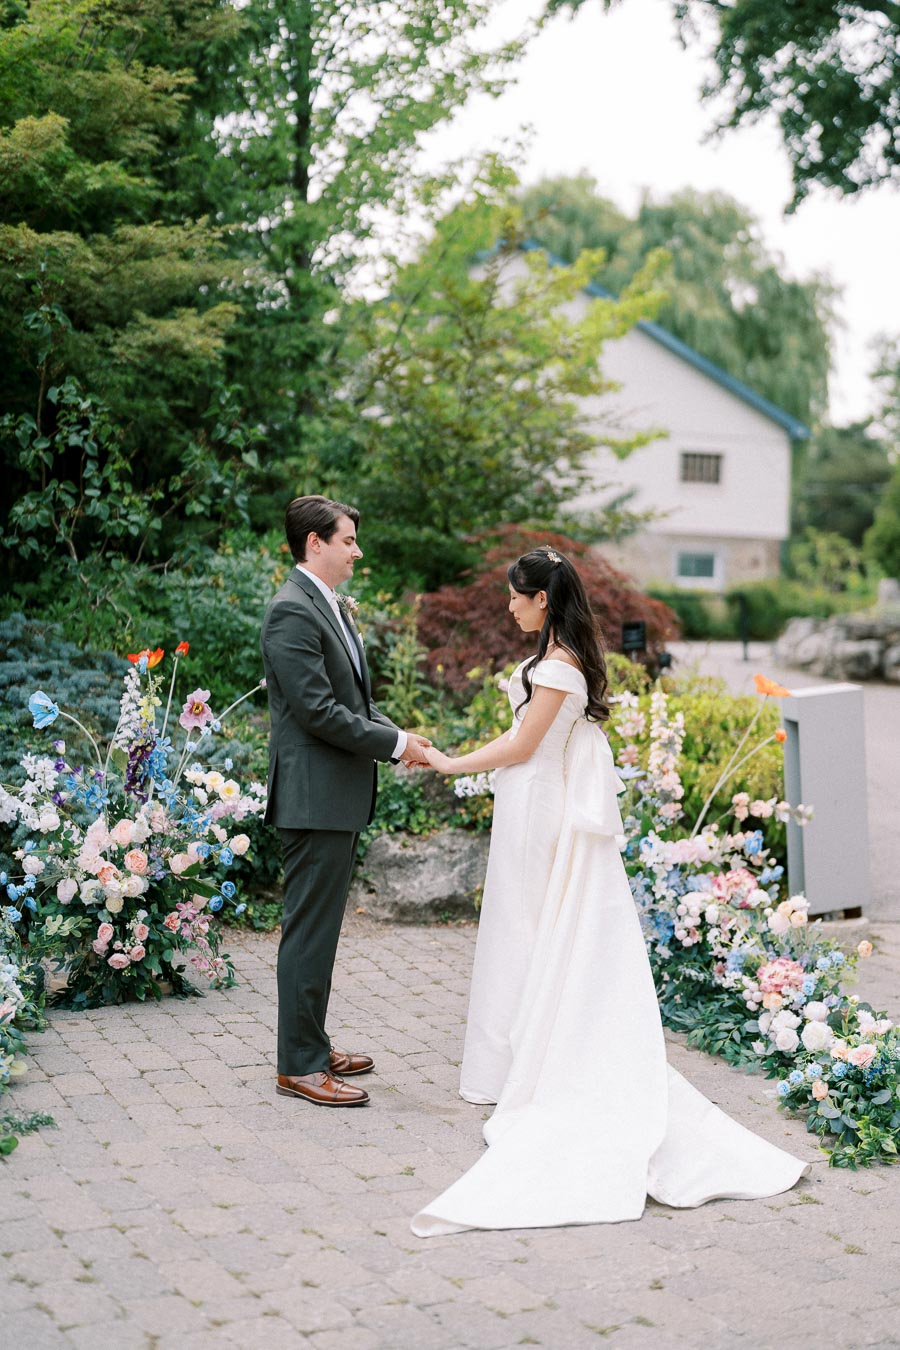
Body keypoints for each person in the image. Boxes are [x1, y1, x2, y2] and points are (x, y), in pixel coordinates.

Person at [411, 545, 809, 1234]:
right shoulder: (560, 657)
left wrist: (449, 762)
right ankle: (513, 1063)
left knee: (527, 927)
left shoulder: (560, 665)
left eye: (517, 595)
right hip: (529, 799)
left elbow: (522, 745)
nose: (509, 604)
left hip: (537, 804)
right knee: (517, 927)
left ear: (543, 599)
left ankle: (529, 1068)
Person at [260, 495, 431, 1107]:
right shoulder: (291, 612)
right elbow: (318, 713)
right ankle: (298, 1066)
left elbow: (352, 702)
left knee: (321, 931)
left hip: (334, 794)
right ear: (315, 544)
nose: (358, 552)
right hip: (313, 796)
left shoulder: (324, 605)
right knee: (307, 933)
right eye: (349, 541)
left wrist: (399, 739)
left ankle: (312, 1042)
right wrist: (395, 743)